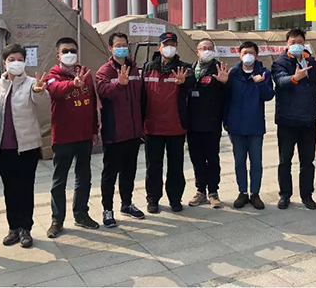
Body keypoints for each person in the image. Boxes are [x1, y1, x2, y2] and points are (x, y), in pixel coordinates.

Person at [0, 44, 49, 248]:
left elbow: (43, 105)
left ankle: (25, 228)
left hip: (27, 147)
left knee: (25, 187)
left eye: (20, 59)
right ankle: (13, 227)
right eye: (11, 59)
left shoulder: (32, 84)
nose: (16, 63)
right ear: (4, 62)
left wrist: (40, 92)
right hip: (2, 148)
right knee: (9, 188)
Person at [45, 37, 100, 238]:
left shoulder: (85, 73)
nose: (70, 54)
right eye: (65, 51)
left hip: (84, 136)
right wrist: (72, 84)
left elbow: (92, 102)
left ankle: (81, 214)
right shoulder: (53, 75)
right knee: (59, 180)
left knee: (84, 177)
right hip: (63, 137)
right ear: (58, 55)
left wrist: (94, 130)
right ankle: (57, 220)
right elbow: (55, 90)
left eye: (73, 50)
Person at [96, 32, 145, 228]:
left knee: (129, 171)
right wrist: (119, 84)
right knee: (110, 173)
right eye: (118, 45)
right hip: (114, 132)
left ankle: (127, 203)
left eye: (124, 45)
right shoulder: (105, 71)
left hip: (133, 131)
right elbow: (103, 91)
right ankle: (107, 209)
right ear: (110, 48)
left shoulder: (134, 68)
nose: (122, 48)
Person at [142, 32, 195, 214]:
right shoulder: (148, 68)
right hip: (152, 127)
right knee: (153, 167)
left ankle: (175, 199)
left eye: (172, 44)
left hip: (176, 127)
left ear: (177, 47)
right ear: (160, 47)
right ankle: (153, 199)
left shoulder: (184, 68)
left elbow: (192, 81)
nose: (169, 48)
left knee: (176, 166)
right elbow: (141, 96)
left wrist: (183, 82)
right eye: (166, 44)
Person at [271, 28, 316, 210]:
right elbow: (280, 81)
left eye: (300, 42)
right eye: (293, 42)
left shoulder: (312, 63)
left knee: (307, 161)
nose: (297, 45)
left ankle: (307, 195)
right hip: (287, 120)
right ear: (287, 44)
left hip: (308, 120)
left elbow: (315, 88)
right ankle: (285, 194)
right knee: (285, 160)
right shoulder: (279, 63)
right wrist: (294, 77)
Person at [224, 41, 275, 210]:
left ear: (256, 55)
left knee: (256, 162)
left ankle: (255, 193)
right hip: (236, 126)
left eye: (251, 53)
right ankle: (242, 192)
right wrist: (226, 121)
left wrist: (260, 83)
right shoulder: (233, 74)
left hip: (255, 125)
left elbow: (269, 96)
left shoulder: (264, 73)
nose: (248, 56)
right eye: (245, 52)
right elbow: (226, 99)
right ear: (239, 55)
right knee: (239, 161)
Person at [186, 40, 229, 209]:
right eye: (204, 48)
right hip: (192, 123)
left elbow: (227, 96)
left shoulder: (219, 69)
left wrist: (225, 83)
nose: (207, 51)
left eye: (210, 48)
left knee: (212, 158)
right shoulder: (190, 69)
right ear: (197, 51)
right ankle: (200, 191)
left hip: (211, 122)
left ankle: (213, 192)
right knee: (196, 158)